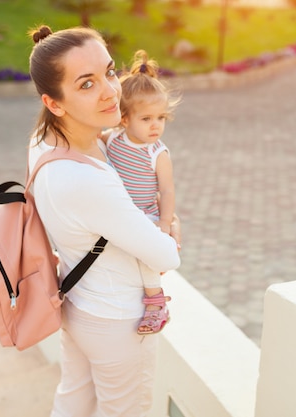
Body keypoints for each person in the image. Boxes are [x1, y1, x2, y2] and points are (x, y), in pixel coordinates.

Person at [26, 25, 181, 417]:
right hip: (118, 322)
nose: (111, 90)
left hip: (76, 304)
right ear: (54, 102)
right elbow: (165, 256)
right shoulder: (86, 180)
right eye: (86, 84)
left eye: (110, 72)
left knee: (73, 401)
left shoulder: (44, 143)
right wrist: (171, 228)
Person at [100, 49, 181, 335]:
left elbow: (167, 190)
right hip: (119, 212)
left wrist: (165, 223)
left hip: (146, 213)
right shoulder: (113, 138)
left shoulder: (158, 153)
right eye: (146, 119)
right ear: (124, 119)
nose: (156, 125)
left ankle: (156, 302)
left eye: (161, 117)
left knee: (147, 254)